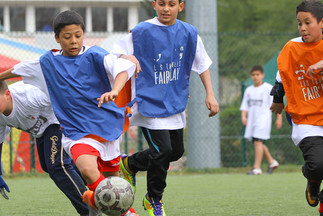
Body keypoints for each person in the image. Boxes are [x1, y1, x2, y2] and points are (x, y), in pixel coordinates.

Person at [0, 10, 138, 216]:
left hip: (100, 127)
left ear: (83, 34)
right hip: (75, 132)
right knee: (81, 169)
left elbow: (123, 69)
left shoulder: (96, 55)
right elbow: (16, 70)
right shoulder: (46, 63)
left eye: (78, 35)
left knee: (104, 179)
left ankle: (93, 201)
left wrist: (115, 91)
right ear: (56, 38)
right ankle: (123, 211)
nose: (73, 41)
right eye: (67, 37)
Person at [112, 0, 219, 215]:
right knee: (163, 151)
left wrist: (210, 93)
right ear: (154, 4)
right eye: (162, 3)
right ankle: (153, 199)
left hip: (174, 101)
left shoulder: (189, 33)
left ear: (181, 6)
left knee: (176, 152)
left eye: (171, 4)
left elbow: (202, 63)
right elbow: (113, 54)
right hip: (149, 102)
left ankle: (130, 164)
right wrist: (127, 56)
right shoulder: (141, 31)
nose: (166, 8)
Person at [0, 80, 96, 215]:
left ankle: (89, 212)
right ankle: (100, 177)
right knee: (49, 166)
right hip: (42, 131)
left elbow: (60, 93)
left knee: (57, 166)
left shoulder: (29, 95)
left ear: (8, 94)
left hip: (57, 119)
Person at [270, 0, 323, 215]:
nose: (302, 28)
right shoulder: (292, 47)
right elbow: (280, 79)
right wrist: (277, 100)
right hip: (305, 119)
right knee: (318, 164)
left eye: (307, 22)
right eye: (299, 23)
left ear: (321, 23)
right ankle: (313, 178)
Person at [240, 65, 282, 175]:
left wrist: (279, 118)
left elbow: (277, 104)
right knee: (258, 142)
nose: (255, 77)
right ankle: (272, 162)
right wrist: (244, 116)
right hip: (252, 121)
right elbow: (245, 106)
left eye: (257, 74)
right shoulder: (248, 90)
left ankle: (256, 168)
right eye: (253, 75)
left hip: (264, 119)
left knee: (258, 141)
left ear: (262, 75)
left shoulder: (268, 88)